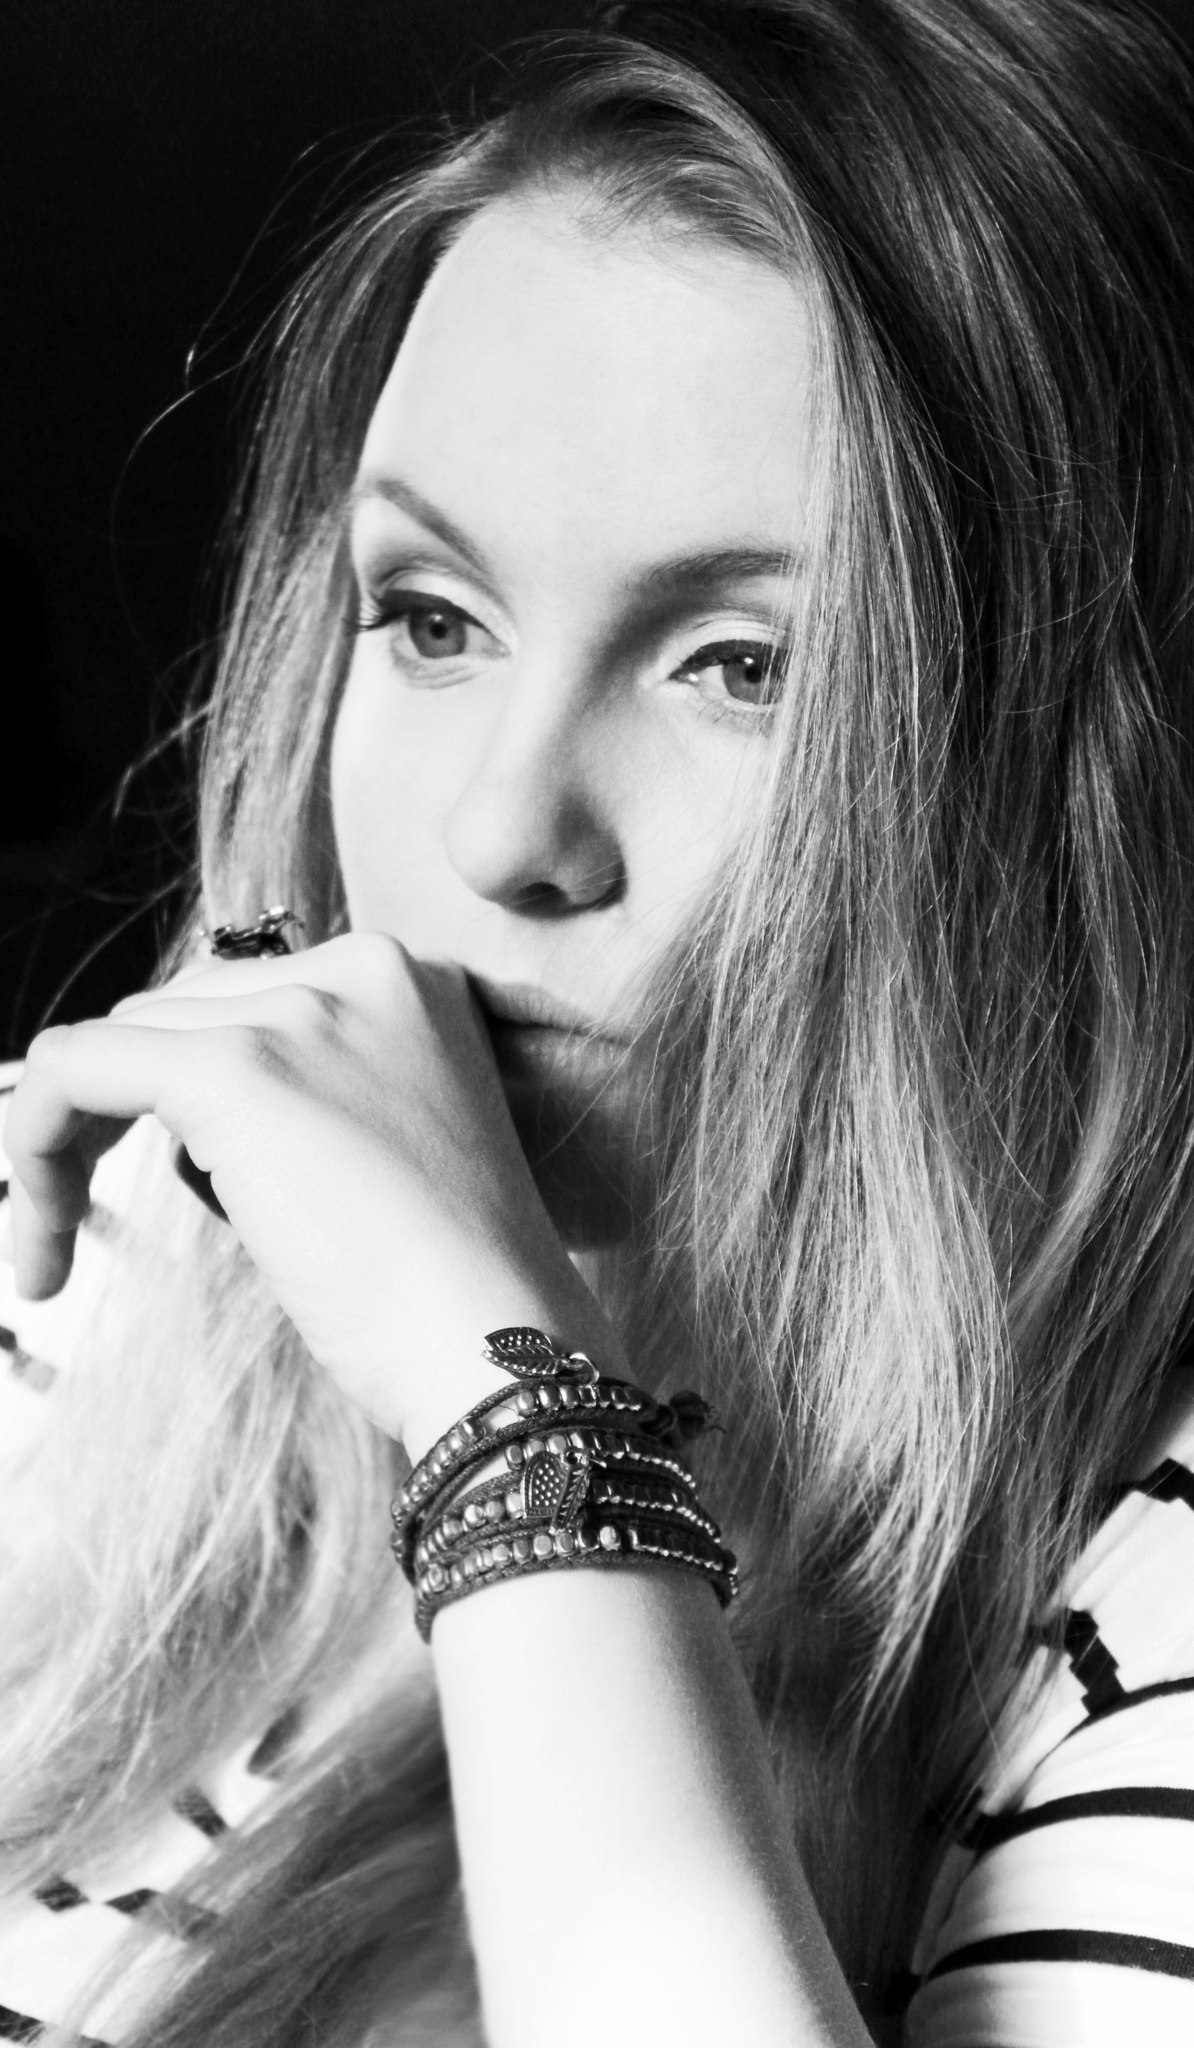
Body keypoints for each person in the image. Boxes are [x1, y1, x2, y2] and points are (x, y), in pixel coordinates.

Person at [3, 0, 1194, 2040]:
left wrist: (505, 1414)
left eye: (746, 666)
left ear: (1103, 783)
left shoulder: (1143, 1606)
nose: (504, 830)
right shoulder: (108, 1273)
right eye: (432, 619)